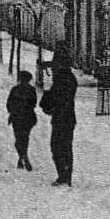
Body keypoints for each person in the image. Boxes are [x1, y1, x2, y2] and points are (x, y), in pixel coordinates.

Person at [41, 43, 78, 185]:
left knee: (57, 147)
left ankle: (63, 175)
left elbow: (55, 99)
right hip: (68, 117)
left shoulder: (60, 81)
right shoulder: (70, 78)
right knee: (66, 146)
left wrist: (47, 98)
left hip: (60, 117)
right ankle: (66, 175)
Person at [6, 69, 38, 169]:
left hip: (17, 117)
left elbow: (9, 103)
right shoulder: (31, 90)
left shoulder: (15, 89)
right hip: (28, 117)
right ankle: (23, 157)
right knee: (24, 137)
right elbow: (34, 103)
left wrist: (13, 112)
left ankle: (22, 157)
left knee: (18, 138)